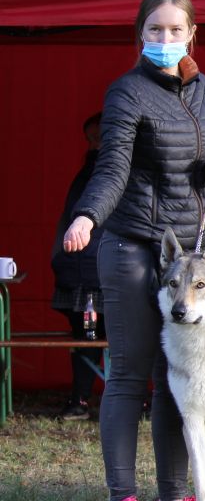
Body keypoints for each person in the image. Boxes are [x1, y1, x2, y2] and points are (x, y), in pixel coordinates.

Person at [62, 0, 205, 501]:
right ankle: (121, 498)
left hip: (186, 254)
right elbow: (111, 168)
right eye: (155, 30)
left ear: (192, 35)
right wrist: (88, 216)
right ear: (140, 35)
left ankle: (173, 494)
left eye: (174, 30)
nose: (165, 39)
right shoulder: (126, 93)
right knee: (131, 372)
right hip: (132, 245)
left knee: (174, 371)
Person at [51, 113, 107, 420]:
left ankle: (129, 399)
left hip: (107, 274)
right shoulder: (90, 170)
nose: (94, 144)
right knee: (85, 337)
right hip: (81, 274)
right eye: (90, 139)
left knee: (117, 339)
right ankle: (81, 399)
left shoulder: (113, 170)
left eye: (99, 137)